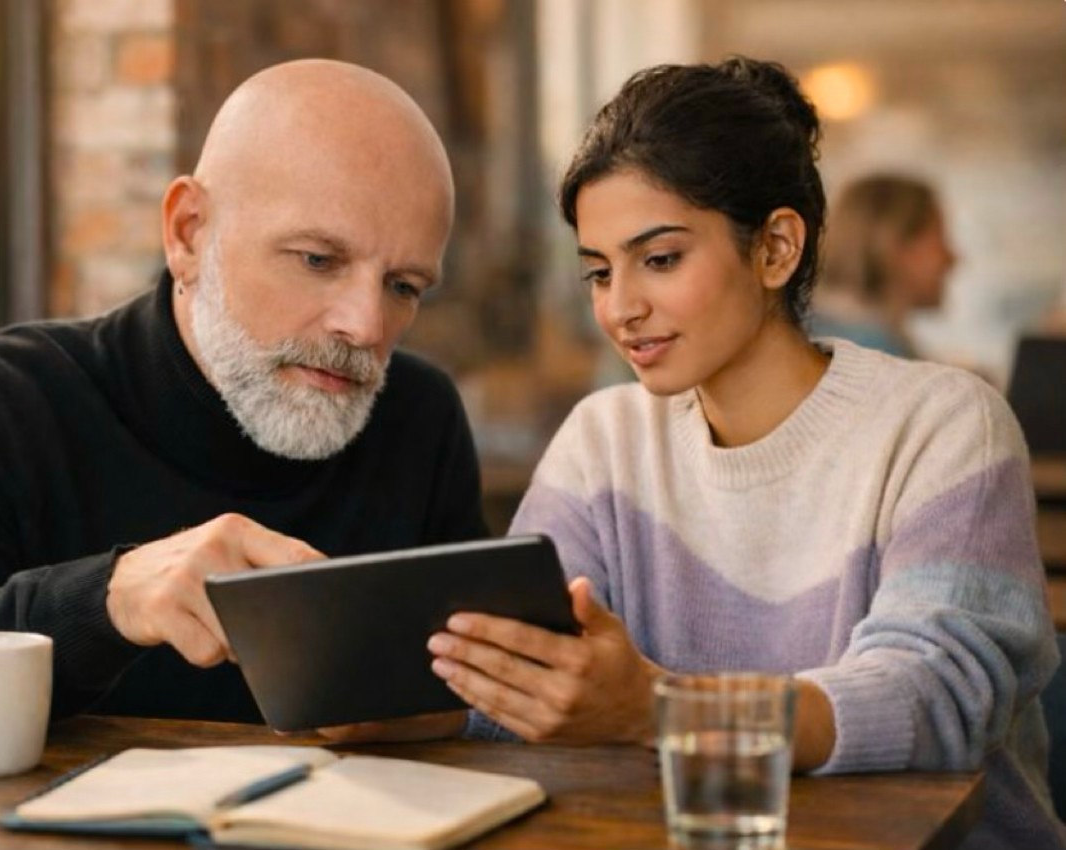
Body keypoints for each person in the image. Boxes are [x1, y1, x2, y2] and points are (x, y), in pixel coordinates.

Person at [426, 57, 1064, 849]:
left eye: (659, 260)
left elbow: (932, 697)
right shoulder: (604, 440)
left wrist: (656, 707)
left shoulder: (943, 424)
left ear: (775, 250)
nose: (620, 308)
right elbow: (512, 687)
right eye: (598, 271)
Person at [0, 59, 487, 723]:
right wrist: (106, 601)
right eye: (318, 260)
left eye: (404, 286)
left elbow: (464, 707)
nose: (366, 326)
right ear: (188, 233)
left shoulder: (418, 419)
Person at [808, 173, 957, 358]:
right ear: (892, 243)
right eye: (940, 239)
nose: (953, 258)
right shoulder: (874, 353)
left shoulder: (814, 334)